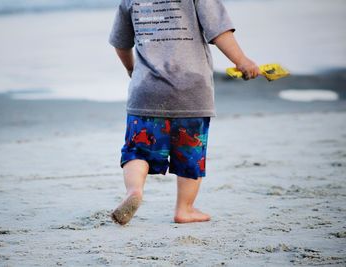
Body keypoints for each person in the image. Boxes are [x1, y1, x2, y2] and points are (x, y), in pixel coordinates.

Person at [109, 0, 259, 225]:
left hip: (146, 92)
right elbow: (219, 30)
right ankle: (184, 209)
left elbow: (121, 43)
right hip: (191, 90)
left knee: (137, 151)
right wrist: (242, 61)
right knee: (190, 154)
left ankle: (134, 190)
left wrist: (132, 69)